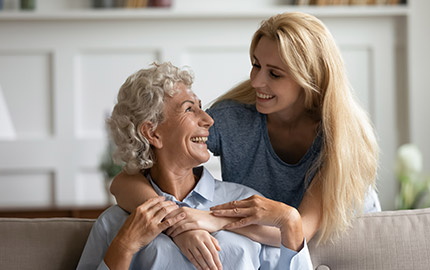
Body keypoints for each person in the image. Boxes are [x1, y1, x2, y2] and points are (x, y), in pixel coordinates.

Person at [111, 11, 381, 269]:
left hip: (338, 242)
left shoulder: (338, 139)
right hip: (272, 244)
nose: (255, 81)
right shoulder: (233, 119)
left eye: (274, 74)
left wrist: (214, 219)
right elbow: (125, 181)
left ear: (309, 78)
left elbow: (299, 228)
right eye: (256, 65)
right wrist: (176, 226)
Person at [76, 62, 313, 270]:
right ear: (152, 133)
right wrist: (125, 245)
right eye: (189, 109)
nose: (208, 119)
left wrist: (290, 221)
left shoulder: (246, 202)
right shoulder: (115, 222)